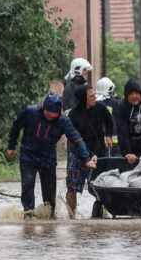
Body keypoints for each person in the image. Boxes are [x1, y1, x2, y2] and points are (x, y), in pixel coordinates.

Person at [7, 92, 96, 218]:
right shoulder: (30, 112)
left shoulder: (63, 121)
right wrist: (11, 146)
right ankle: (28, 214)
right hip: (28, 155)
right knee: (28, 184)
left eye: (53, 116)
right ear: (44, 108)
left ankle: (49, 217)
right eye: (48, 115)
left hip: (47, 157)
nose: (50, 118)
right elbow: (16, 127)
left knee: (49, 191)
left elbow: (76, 139)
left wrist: (86, 159)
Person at [66, 85, 114, 217]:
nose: (95, 98)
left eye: (94, 95)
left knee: (100, 186)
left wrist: (109, 135)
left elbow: (109, 121)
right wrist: (89, 156)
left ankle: (102, 213)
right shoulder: (73, 115)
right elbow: (75, 140)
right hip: (79, 156)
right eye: (91, 96)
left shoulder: (100, 108)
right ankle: (71, 216)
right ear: (83, 99)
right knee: (72, 187)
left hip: (99, 154)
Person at [95, 77, 123, 157]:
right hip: (114, 143)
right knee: (117, 165)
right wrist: (118, 99)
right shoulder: (115, 103)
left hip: (98, 143)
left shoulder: (93, 102)